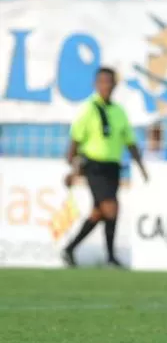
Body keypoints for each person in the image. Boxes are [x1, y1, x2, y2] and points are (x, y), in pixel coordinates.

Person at [63, 67, 149, 268]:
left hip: (113, 167)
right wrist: (71, 166)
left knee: (98, 212)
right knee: (111, 208)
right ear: (96, 84)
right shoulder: (88, 109)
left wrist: (141, 166)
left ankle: (69, 249)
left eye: (109, 82)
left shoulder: (119, 111)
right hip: (94, 165)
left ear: (115, 84)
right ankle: (110, 257)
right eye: (102, 82)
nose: (106, 86)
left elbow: (130, 142)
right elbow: (75, 139)